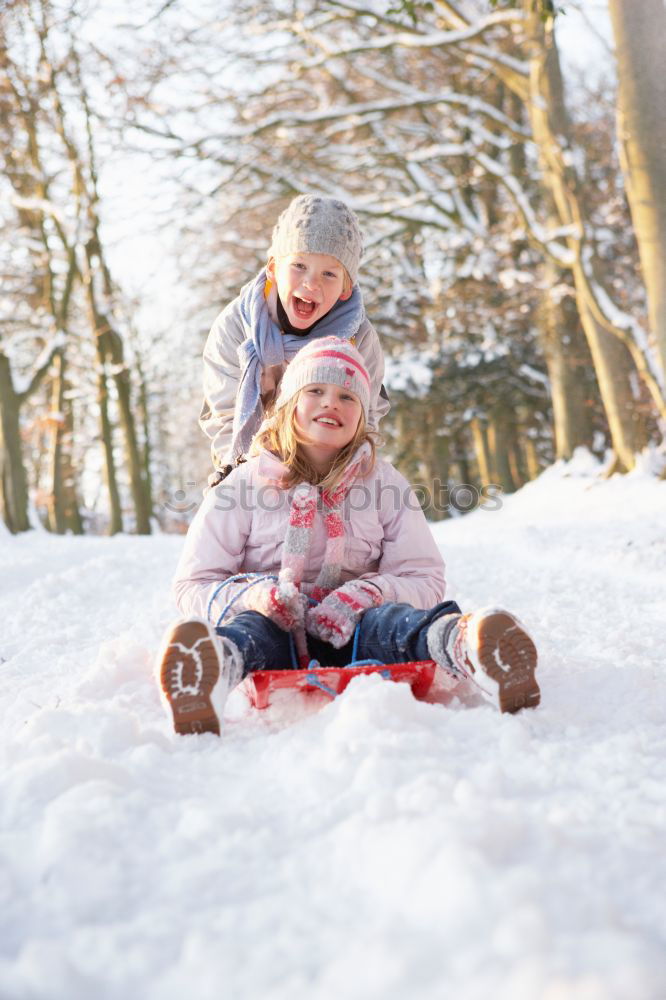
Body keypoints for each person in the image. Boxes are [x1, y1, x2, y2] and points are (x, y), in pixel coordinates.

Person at [157, 338, 540, 736]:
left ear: (363, 416)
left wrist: (369, 594)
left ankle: (470, 647)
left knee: (398, 624)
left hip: (359, 625)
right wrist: (254, 596)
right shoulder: (243, 486)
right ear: (288, 404)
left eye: (347, 396)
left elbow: (423, 576)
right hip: (275, 627)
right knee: (251, 633)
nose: (331, 403)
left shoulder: (383, 484)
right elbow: (194, 583)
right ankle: (211, 669)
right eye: (315, 391)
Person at [199, 194, 389, 484]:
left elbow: (367, 413)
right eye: (299, 266)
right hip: (249, 458)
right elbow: (224, 413)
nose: (311, 283)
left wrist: (353, 473)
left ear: (345, 288)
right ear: (273, 268)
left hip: (330, 464)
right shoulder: (237, 327)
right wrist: (239, 472)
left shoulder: (358, 338)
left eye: (329, 273)